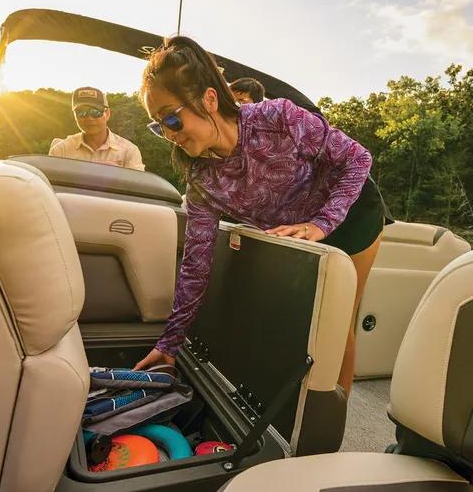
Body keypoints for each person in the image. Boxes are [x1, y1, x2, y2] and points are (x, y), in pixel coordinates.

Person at [132, 36, 390, 398]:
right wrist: (170, 344)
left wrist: (321, 224)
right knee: (303, 324)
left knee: (336, 322)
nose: (171, 135)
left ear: (209, 98)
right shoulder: (203, 181)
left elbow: (358, 159)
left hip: (350, 215)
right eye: (160, 127)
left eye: (172, 118)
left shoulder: (278, 118)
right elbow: (196, 265)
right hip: (298, 231)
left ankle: (333, 415)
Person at [50, 86, 145, 171]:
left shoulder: (129, 151)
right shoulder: (60, 151)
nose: (89, 118)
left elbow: (139, 187)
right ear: (75, 116)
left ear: (107, 114)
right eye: (81, 112)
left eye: (95, 112)